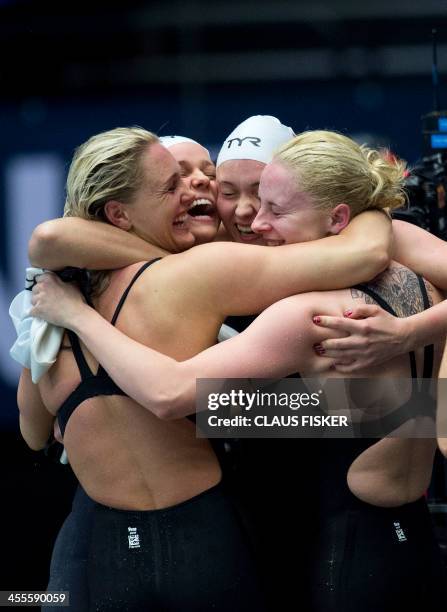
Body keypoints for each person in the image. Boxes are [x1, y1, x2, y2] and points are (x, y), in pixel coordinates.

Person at [31, 130, 447, 611]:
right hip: (364, 533)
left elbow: (44, 426)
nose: (252, 219)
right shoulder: (228, 263)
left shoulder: (297, 301)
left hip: (311, 544)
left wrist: (81, 339)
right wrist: (409, 384)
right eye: (225, 193)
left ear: (335, 216)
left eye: (269, 202)